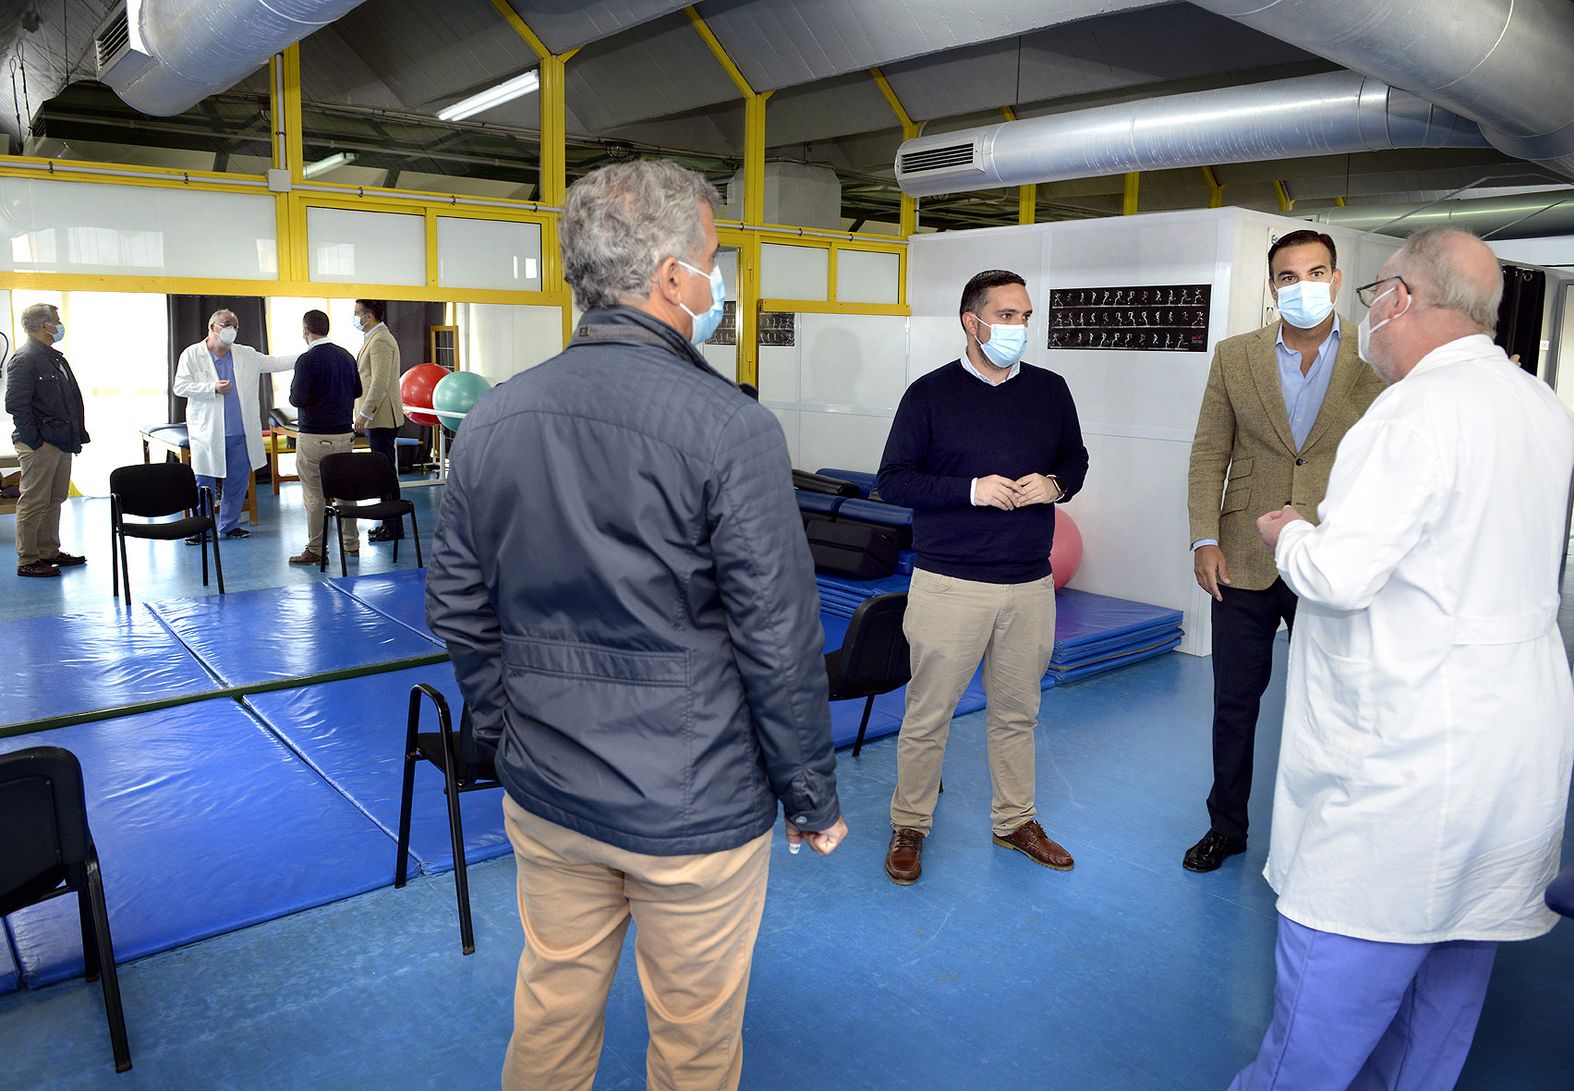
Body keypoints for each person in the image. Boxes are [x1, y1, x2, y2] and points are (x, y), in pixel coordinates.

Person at [425, 159, 846, 1091]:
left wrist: (507, 728)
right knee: (694, 1042)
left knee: (551, 1008)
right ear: (670, 278)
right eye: (713, 259)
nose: (718, 280)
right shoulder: (729, 427)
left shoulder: (492, 418)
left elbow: (457, 602)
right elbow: (777, 636)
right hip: (693, 807)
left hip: (549, 794)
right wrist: (810, 792)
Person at [1233, 228, 1574, 1089]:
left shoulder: (1413, 412)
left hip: (1405, 767)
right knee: (1443, 1005)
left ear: (1402, 300)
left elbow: (1340, 574)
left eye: (1371, 298)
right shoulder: (1538, 404)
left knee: (1319, 1019)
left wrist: (1288, 534)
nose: (1369, 319)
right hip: (1511, 750)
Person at [876, 269, 1089, 886]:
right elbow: (893, 480)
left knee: (1018, 712)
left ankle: (1015, 820)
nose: (1019, 328)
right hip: (950, 582)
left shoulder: (1050, 390)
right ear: (972, 322)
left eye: (1025, 316)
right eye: (1007, 316)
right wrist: (970, 490)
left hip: (1029, 583)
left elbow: (1074, 459)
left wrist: (1057, 484)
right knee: (928, 714)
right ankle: (910, 824)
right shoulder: (929, 395)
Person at [1183, 229, 1386, 873]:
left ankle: (1329, 838)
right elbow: (1209, 451)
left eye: (1316, 272)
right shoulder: (1234, 355)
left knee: (1335, 702)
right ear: (1272, 287)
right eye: (1289, 276)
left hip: (1333, 553)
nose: (1303, 286)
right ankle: (1227, 826)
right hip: (1242, 553)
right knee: (1234, 704)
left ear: (1335, 276)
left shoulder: (1376, 353)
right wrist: (1204, 537)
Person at [172, 309, 298, 540]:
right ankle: (203, 528)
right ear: (212, 327)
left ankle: (229, 525)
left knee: (238, 480)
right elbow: (179, 387)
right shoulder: (192, 354)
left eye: (235, 326)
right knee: (204, 481)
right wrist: (211, 388)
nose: (231, 329)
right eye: (226, 324)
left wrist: (309, 353)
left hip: (240, 431)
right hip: (208, 431)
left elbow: (275, 362)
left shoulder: (245, 354)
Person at [5, 303, 88, 578]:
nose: (60, 324)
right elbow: (16, 405)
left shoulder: (54, 357)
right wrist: (35, 441)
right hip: (41, 444)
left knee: (55, 498)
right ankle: (28, 559)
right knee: (34, 501)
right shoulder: (25, 358)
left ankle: (48, 552)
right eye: (57, 320)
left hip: (61, 441)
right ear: (44, 326)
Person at [286, 310, 362, 567]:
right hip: (344, 435)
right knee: (345, 489)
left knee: (315, 494)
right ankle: (352, 544)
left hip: (315, 437)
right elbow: (358, 390)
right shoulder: (346, 356)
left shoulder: (307, 360)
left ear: (305, 330)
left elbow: (297, 398)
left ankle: (316, 549)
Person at [351, 299, 405, 544]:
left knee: (385, 474)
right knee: (384, 472)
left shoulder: (381, 339)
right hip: (379, 418)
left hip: (382, 418)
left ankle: (393, 526)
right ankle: (389, 523)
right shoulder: (374, 337)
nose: (355, 318)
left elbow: (380, 382)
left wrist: (366, 413)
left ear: (369, 316)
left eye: (357, 314)